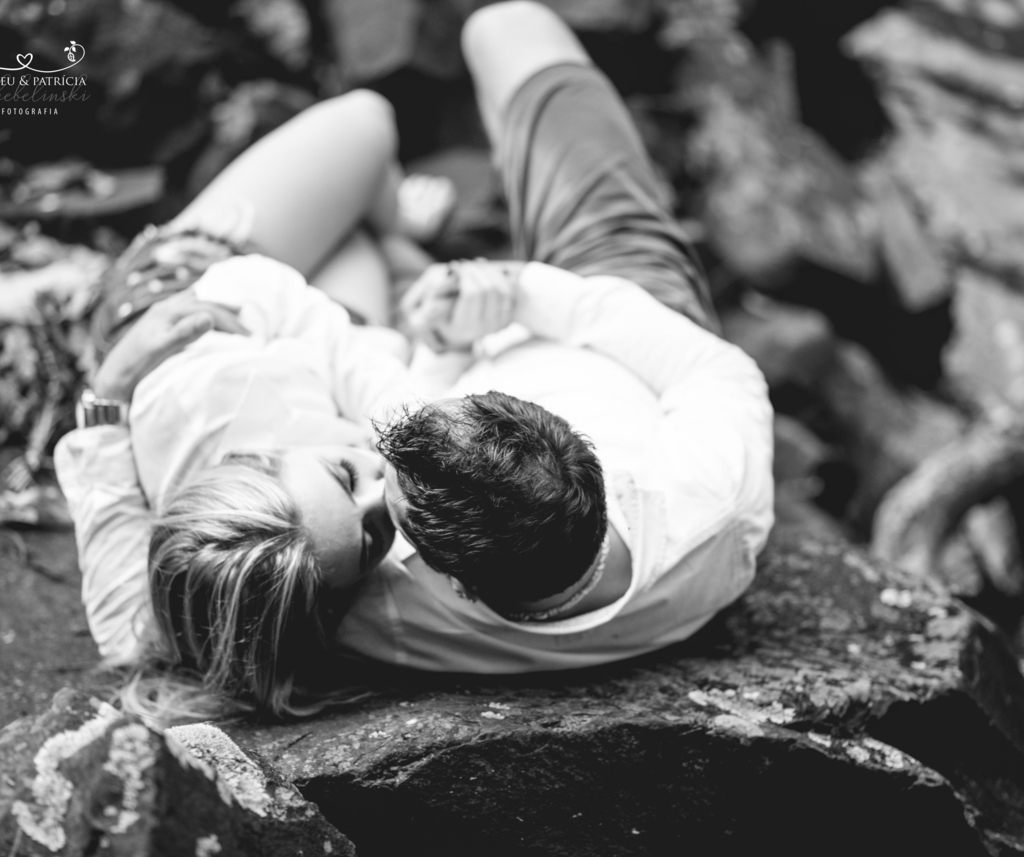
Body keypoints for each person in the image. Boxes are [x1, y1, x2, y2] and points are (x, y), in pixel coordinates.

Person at [56, 0, 774, 723]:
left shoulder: (310, 560)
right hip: (614, 310)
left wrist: (106, 399)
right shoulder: (359, 567)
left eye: (353, 478)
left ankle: (395, 227)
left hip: (187, 305)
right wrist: (499, 303)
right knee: (505, 28)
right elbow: (720, 371)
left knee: (371, 126)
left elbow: (135, 632)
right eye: (380, 521)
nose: (376, 466)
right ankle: (397, 231)